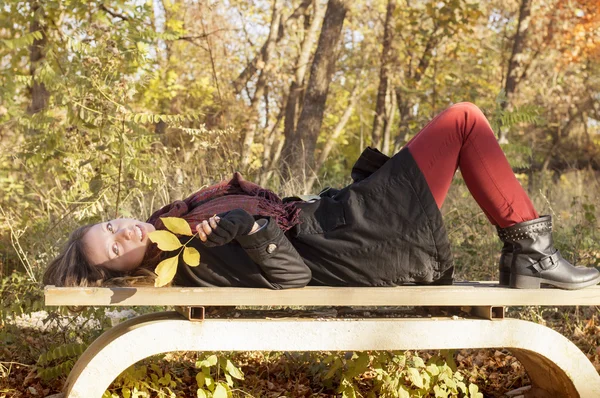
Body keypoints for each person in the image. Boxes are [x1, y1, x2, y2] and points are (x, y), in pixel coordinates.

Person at [43, 102, 600, 290]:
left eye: (111, 226)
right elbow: (293, 277)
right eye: (114, 250)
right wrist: (247, 226)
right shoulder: (192, 258)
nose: (123, 234)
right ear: (129, 271)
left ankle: (530, 256)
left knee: (462, 123)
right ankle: (534, 256)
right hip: (357, 240)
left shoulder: (177, 228)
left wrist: (247, 222)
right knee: (462, 122)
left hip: (343, 222)